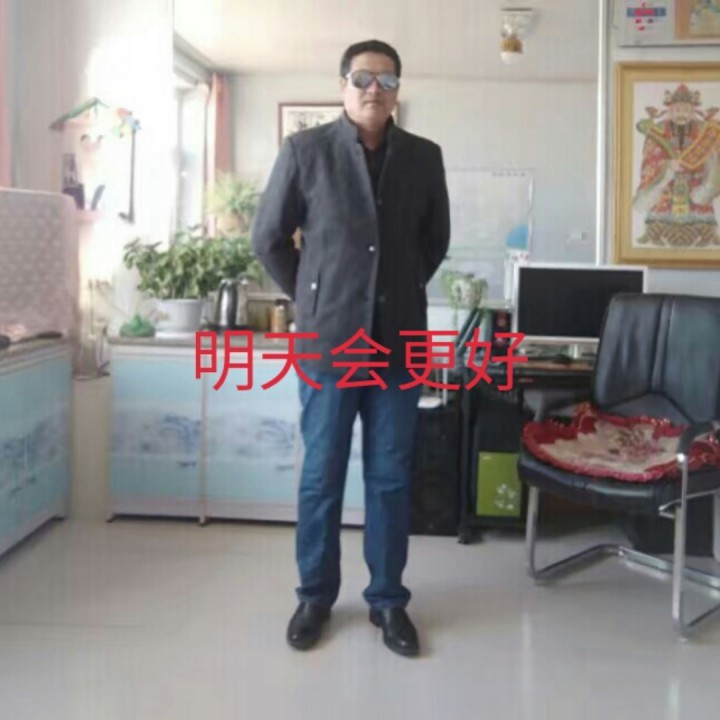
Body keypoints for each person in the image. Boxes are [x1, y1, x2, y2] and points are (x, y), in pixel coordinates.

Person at [251, 39, 450, 658]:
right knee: (322, 475)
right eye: (362, 78)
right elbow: (268, 238)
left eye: (386, 80)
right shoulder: (306, 152)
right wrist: (314, 295)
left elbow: (434, 242)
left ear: (397, 92)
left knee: (390, 477)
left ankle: (387, 601)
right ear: (343, 86)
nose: (373, 89)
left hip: (398, 343)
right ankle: (314, 596)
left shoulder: (423, 157)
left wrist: (397, 289)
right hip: (329, 342)